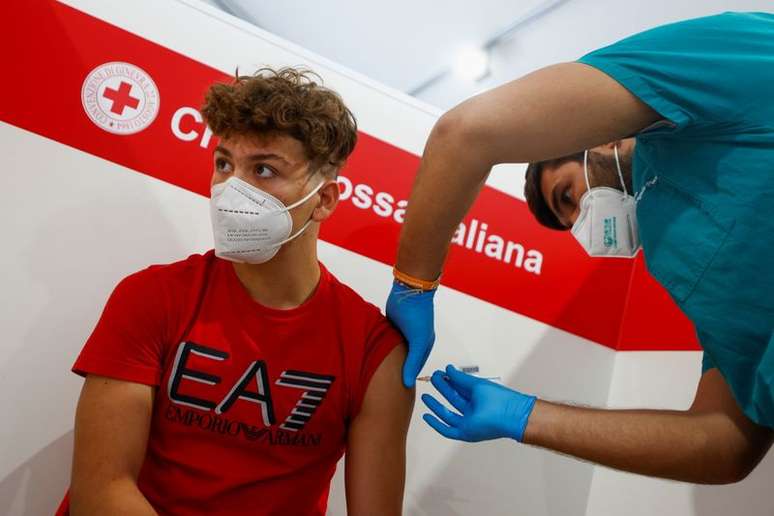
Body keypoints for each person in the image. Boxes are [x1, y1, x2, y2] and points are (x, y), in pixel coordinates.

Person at [387, 12, 773, 484]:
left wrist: (413, 284)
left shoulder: (724, 58)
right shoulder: (674, 249)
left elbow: (468, 132)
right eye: (568, 220)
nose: (580, 220)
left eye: (568, 196)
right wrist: (525, 416)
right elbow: (726, 442)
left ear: (598, 137)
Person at [58, 68, 414, 516]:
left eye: (263, 170)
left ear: (323, 200)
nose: (231, 189)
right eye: (224, 164)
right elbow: (102, 492)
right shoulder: (152, 296)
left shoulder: (373, 352)